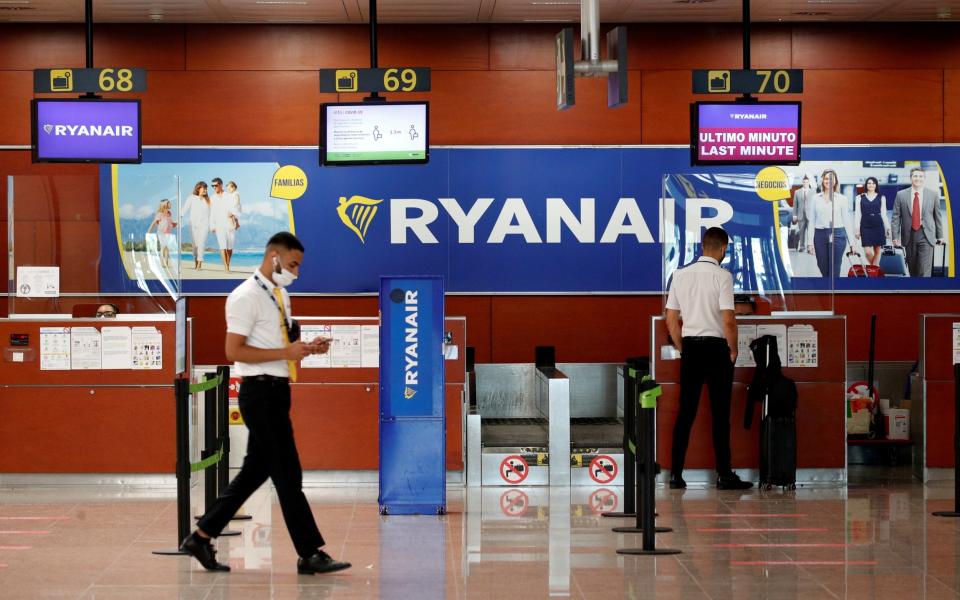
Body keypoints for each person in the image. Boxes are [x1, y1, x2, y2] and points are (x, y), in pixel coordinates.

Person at [180, 232, 351, 576]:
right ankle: (309, 552)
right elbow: (233, 351)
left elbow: (280, 343)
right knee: (289, 474)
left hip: (277, 391)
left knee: (254, 473)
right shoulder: (244, 297)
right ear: (273, 256)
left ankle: (200, 537)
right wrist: (285, 353)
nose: (296, 272)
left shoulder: (280, 295)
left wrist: (306, 347)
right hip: (259, 394)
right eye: (292, 264)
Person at [665, 226, 752, 491]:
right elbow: (728, 319)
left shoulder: (680, 275)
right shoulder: (723, 276)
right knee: (720, 413)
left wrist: (683, 347)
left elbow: (671, 318)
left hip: (691, 348)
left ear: (702, 246)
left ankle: (676, 475)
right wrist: (733, 350)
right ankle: (724, 475)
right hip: (717, 350)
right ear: (723, 249)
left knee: (686, 413)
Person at [891, 167, 945, 277]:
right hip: (908, 235)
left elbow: (937, 216)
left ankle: (924, 292)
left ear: (924, 178)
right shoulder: (901, 195)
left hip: (926, 235)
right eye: (915, 176)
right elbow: (896, 217)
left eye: (920, 176)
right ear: (911, 178)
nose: (918, 178)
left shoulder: (933, 194)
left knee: (924, 269)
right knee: (913, 269)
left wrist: (940, 236)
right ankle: (915, 291)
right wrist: (895, 237)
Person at [806, 169, 854, 279]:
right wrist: (809, 243)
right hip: (820, 235)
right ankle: (828, 288)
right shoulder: (815, 198)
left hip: (837, 234)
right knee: (822, 265)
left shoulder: (842, 199)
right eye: (826, 178)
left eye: (831, 178)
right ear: (823, 180)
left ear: (836, 181)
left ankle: (832, 293)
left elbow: (847, 221)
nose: (829, 181)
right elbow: (812, 221)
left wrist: (852, 243)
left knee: (834, 268)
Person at [854, 176, 891, 266]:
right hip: (865, 226)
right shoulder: (859, 197)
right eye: (869, 183)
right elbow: (858, 214)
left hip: (878, 226)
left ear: (876, 185)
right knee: (867, 252)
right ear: (866, 185)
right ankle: (875, 269)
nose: (871, 185)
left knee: (877, 251)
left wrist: (888, 228)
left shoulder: (882, 197)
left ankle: (873, 274)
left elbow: (883, 214)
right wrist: (857, 229)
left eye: (873, 183)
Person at [209, 177, 240, 272]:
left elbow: (235, 207)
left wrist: (237, 221)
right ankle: (226, 268)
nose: (214, 187)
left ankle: (228, 264)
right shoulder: (212, 198)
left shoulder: (229, 195)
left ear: (221, 185)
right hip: (219, 225)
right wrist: (212, 225)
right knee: (222, 246)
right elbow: (211, 213)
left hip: (230, 224)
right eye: (212, 186)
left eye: (216, 185)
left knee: (230, 248)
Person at [182, 181, 212, 270]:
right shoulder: (191, 198)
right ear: (198, 188)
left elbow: (212, 213)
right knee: (195, 246)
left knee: (201, 244)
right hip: (193, 225)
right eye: (204, 188)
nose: (205, 190)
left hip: (205, 225)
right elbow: (184, 209)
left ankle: (199, 265)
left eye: (206, 188)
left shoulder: (208, 200)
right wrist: (179, 218)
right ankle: (196, 262)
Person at [146, 199, 177, 269]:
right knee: (164, 247)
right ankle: (163, 263)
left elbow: (171, 223)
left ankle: (165, 263)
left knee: (167, 248)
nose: (171, 205)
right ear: (165, 205)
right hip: (161, 232)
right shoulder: (160, 214)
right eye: (169, 203)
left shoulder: (169, 213)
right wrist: (148, 232)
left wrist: (175, 224)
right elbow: (153, 223)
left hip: (168, 233)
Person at [791, 175, 812, 252]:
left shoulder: (813, 191)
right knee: (801, 232)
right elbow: (795, 205)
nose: (805, 183)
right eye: (804, 182)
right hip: (800, 216)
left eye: (806, 182)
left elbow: (815, 205)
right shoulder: (797, 192)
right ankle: (802, 247)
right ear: (802, 182)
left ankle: (810, 248)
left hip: (810, 216)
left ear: (809, 182)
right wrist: (794, 215)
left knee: (810, 233)